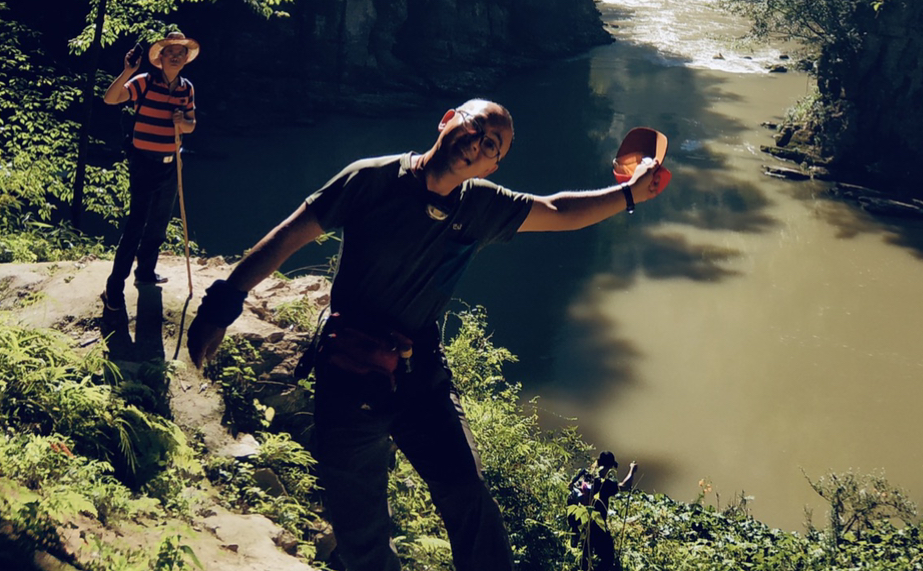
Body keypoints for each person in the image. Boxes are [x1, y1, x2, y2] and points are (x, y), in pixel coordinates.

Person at [187, 98, 669, 571]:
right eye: (477, 128)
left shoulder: (480, 205)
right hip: (347, 373)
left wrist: (629, 195)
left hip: (421, 375)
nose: (479, 145)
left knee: (469, 498)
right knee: (361, 533)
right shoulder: (371, 179)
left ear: (492, 168)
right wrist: (224, 302)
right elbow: (289, 236)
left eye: (493, 147)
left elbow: (558, 211)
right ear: (446, 120)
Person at [101, 30, 199, 312]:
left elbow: (191, 125)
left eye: (181, 52)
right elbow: (111, 98)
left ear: (185, 58)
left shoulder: (186, 88)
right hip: (144, 162)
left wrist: (183, 121)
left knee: (158, 223)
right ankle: (113, 287)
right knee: (136, 225)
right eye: (171, 51)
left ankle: (145, 272)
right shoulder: (144, 82)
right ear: (161, 57)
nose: (176, 55)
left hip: (171, 164)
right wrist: (126, 71)